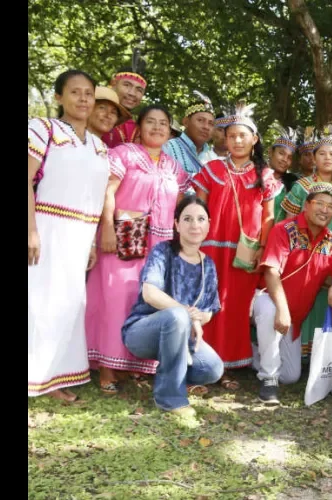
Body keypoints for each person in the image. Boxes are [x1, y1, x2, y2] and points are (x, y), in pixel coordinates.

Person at [85, 105, 190, 394]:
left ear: (170, 130)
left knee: (144, 300)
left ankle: (134, 364)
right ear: (139, 127)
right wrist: (106, 227)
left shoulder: (175, 168)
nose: (157, 128)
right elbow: (108, 192)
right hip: (125, 232)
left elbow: (179, 208)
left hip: (160, 242)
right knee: (115, 298)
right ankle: (107, 365)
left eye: (163, 124)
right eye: (151, 122)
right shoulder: (123, 154)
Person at [29, 70, 110, 401]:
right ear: (59, 97)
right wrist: (31, 230)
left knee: (68, 304)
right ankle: (38, 377)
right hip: (47, 227)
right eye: (75, 92)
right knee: (41, 302)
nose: (83, 99)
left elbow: (91, 195)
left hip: (79, 235)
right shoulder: (43, 129)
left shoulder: (99, 146)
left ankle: (53, 376)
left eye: (89, 93)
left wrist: (92, 241)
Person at [191, 101, 280, 388]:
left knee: (235, 308)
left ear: (254, 139)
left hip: (245, 252)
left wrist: (263, 251)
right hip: (211, 248)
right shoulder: (212, 169)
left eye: (243, 135)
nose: (237, 140)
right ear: (224, 140)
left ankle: (226, 367)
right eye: (231, 136)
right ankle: (200, 365)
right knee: (207, 304)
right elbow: (198, 211)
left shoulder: (264, 176)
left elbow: (268, 217)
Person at [121, 196, 224, 417]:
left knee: (212, 368)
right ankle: (171, 399)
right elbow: (150, 293)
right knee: (177, 316)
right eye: (187, 219)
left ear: (208, 224)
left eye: (200, 219)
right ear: (176, 224)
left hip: (183, 336)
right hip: (143, 332)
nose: (194, 225)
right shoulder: (163, 251)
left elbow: (208, 311)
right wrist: (187, 314)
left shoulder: (209, 264)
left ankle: (170, 373)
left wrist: (198, 317)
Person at [251, 183, 332, 404]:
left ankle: (252, 352)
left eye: (331, 206)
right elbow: (271, 273)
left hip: (294, 317)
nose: (325, 210)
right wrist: (283, 310)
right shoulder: (284, 229)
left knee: (291, 376)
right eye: (319, 204)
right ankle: (268, 380)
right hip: (268, 299)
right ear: (306, 205)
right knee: (269, 311)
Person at [279, 127, 332, 357]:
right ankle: (294, 352)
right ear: (313, 158)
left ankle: (319, 355)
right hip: (301, 253)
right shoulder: (302, 186)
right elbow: (288, 220)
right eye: (322, 154)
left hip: (331, 253)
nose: (327, 158)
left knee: (325, 298)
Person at [162, 90, 216, 175]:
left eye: (211, 123)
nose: (206, 127)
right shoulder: (167, 148)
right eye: (200, 120)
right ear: (186, 122)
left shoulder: (213, 157)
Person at [101, 68, 147, 148]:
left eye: (139, 90)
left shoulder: (138, 130)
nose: (132, 93)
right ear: (113, 83)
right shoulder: (93, 114)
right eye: (127, 85)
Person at [266, 125, 300, 220]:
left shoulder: (292, 186)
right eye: (281, 153)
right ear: (270, 152)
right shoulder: (256, 177)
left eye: (289, 157)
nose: (285, 160)